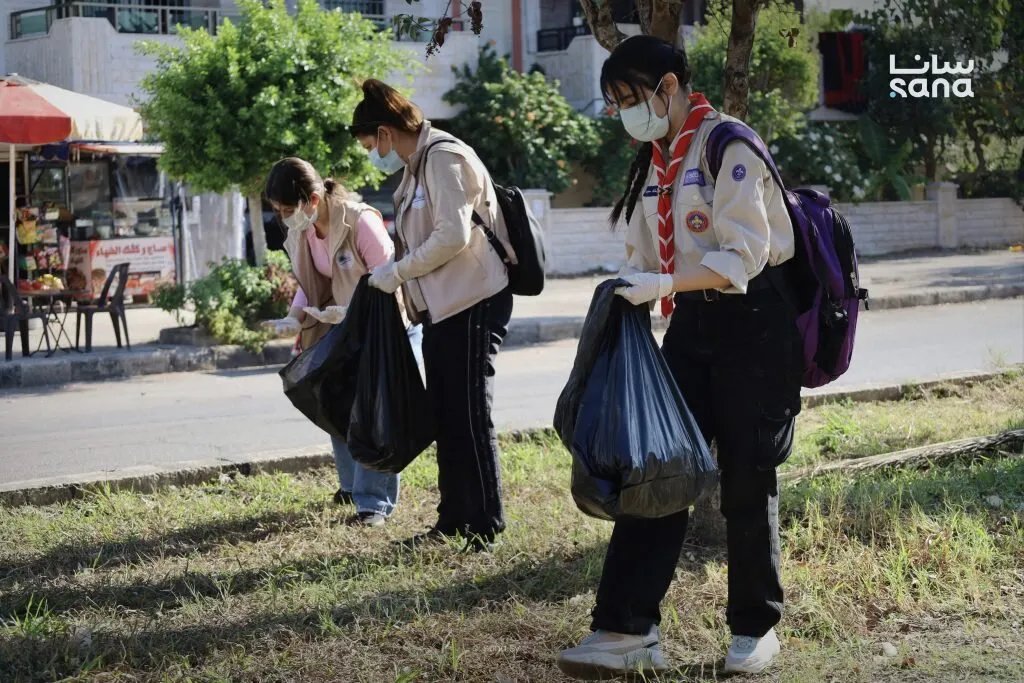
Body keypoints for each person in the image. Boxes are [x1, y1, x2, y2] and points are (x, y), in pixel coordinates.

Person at [557, 36, 801, 678]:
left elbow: (744, 257)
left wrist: (666, 282)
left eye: (629, 98)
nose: (624, 113)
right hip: (692, 325)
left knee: (747, 477)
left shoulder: (729, 144)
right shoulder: (658, 159)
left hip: (754, 322)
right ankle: (627, 628)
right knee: (656, 468)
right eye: (615, 103)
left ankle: (754, 630)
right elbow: (645, 249)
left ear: (668, 87)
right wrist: (635, 285)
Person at [349, 79, 516, 552]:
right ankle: (454, 519)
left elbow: (452, 236)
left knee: (470, 415)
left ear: (385, 132)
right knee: (446, 415)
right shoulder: (415, 167)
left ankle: (486, 523)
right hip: (443, 309)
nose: (372, 155)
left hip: (474, 300)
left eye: (370, 145)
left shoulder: (444, 157)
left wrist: (398, 272)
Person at [263, 157, 416, 528]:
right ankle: (350, 487)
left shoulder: (359, 222)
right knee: (337, 404)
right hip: (339, 331)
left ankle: (373, 504)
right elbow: (310, 283)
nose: (283, 218)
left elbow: (390, 278)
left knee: (372, 415)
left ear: (313, 199)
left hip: (381, 327)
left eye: (288, 209)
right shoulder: (304, 230)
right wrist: (294, 318)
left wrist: (352, 313)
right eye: (278, 211)